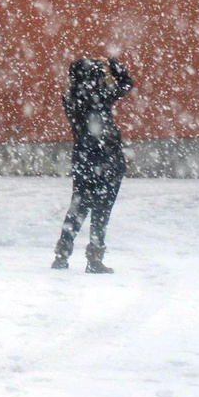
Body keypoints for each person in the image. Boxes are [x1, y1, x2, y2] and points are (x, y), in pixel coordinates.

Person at [53, 55, 134, 274]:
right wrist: (112, 63)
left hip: (83, 158)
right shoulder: (101, 96)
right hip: (107, 159)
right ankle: (94, 258)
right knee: (102, 211)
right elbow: (127, 83)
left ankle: (62, 254)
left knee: (78, 206)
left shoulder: (70, 97)